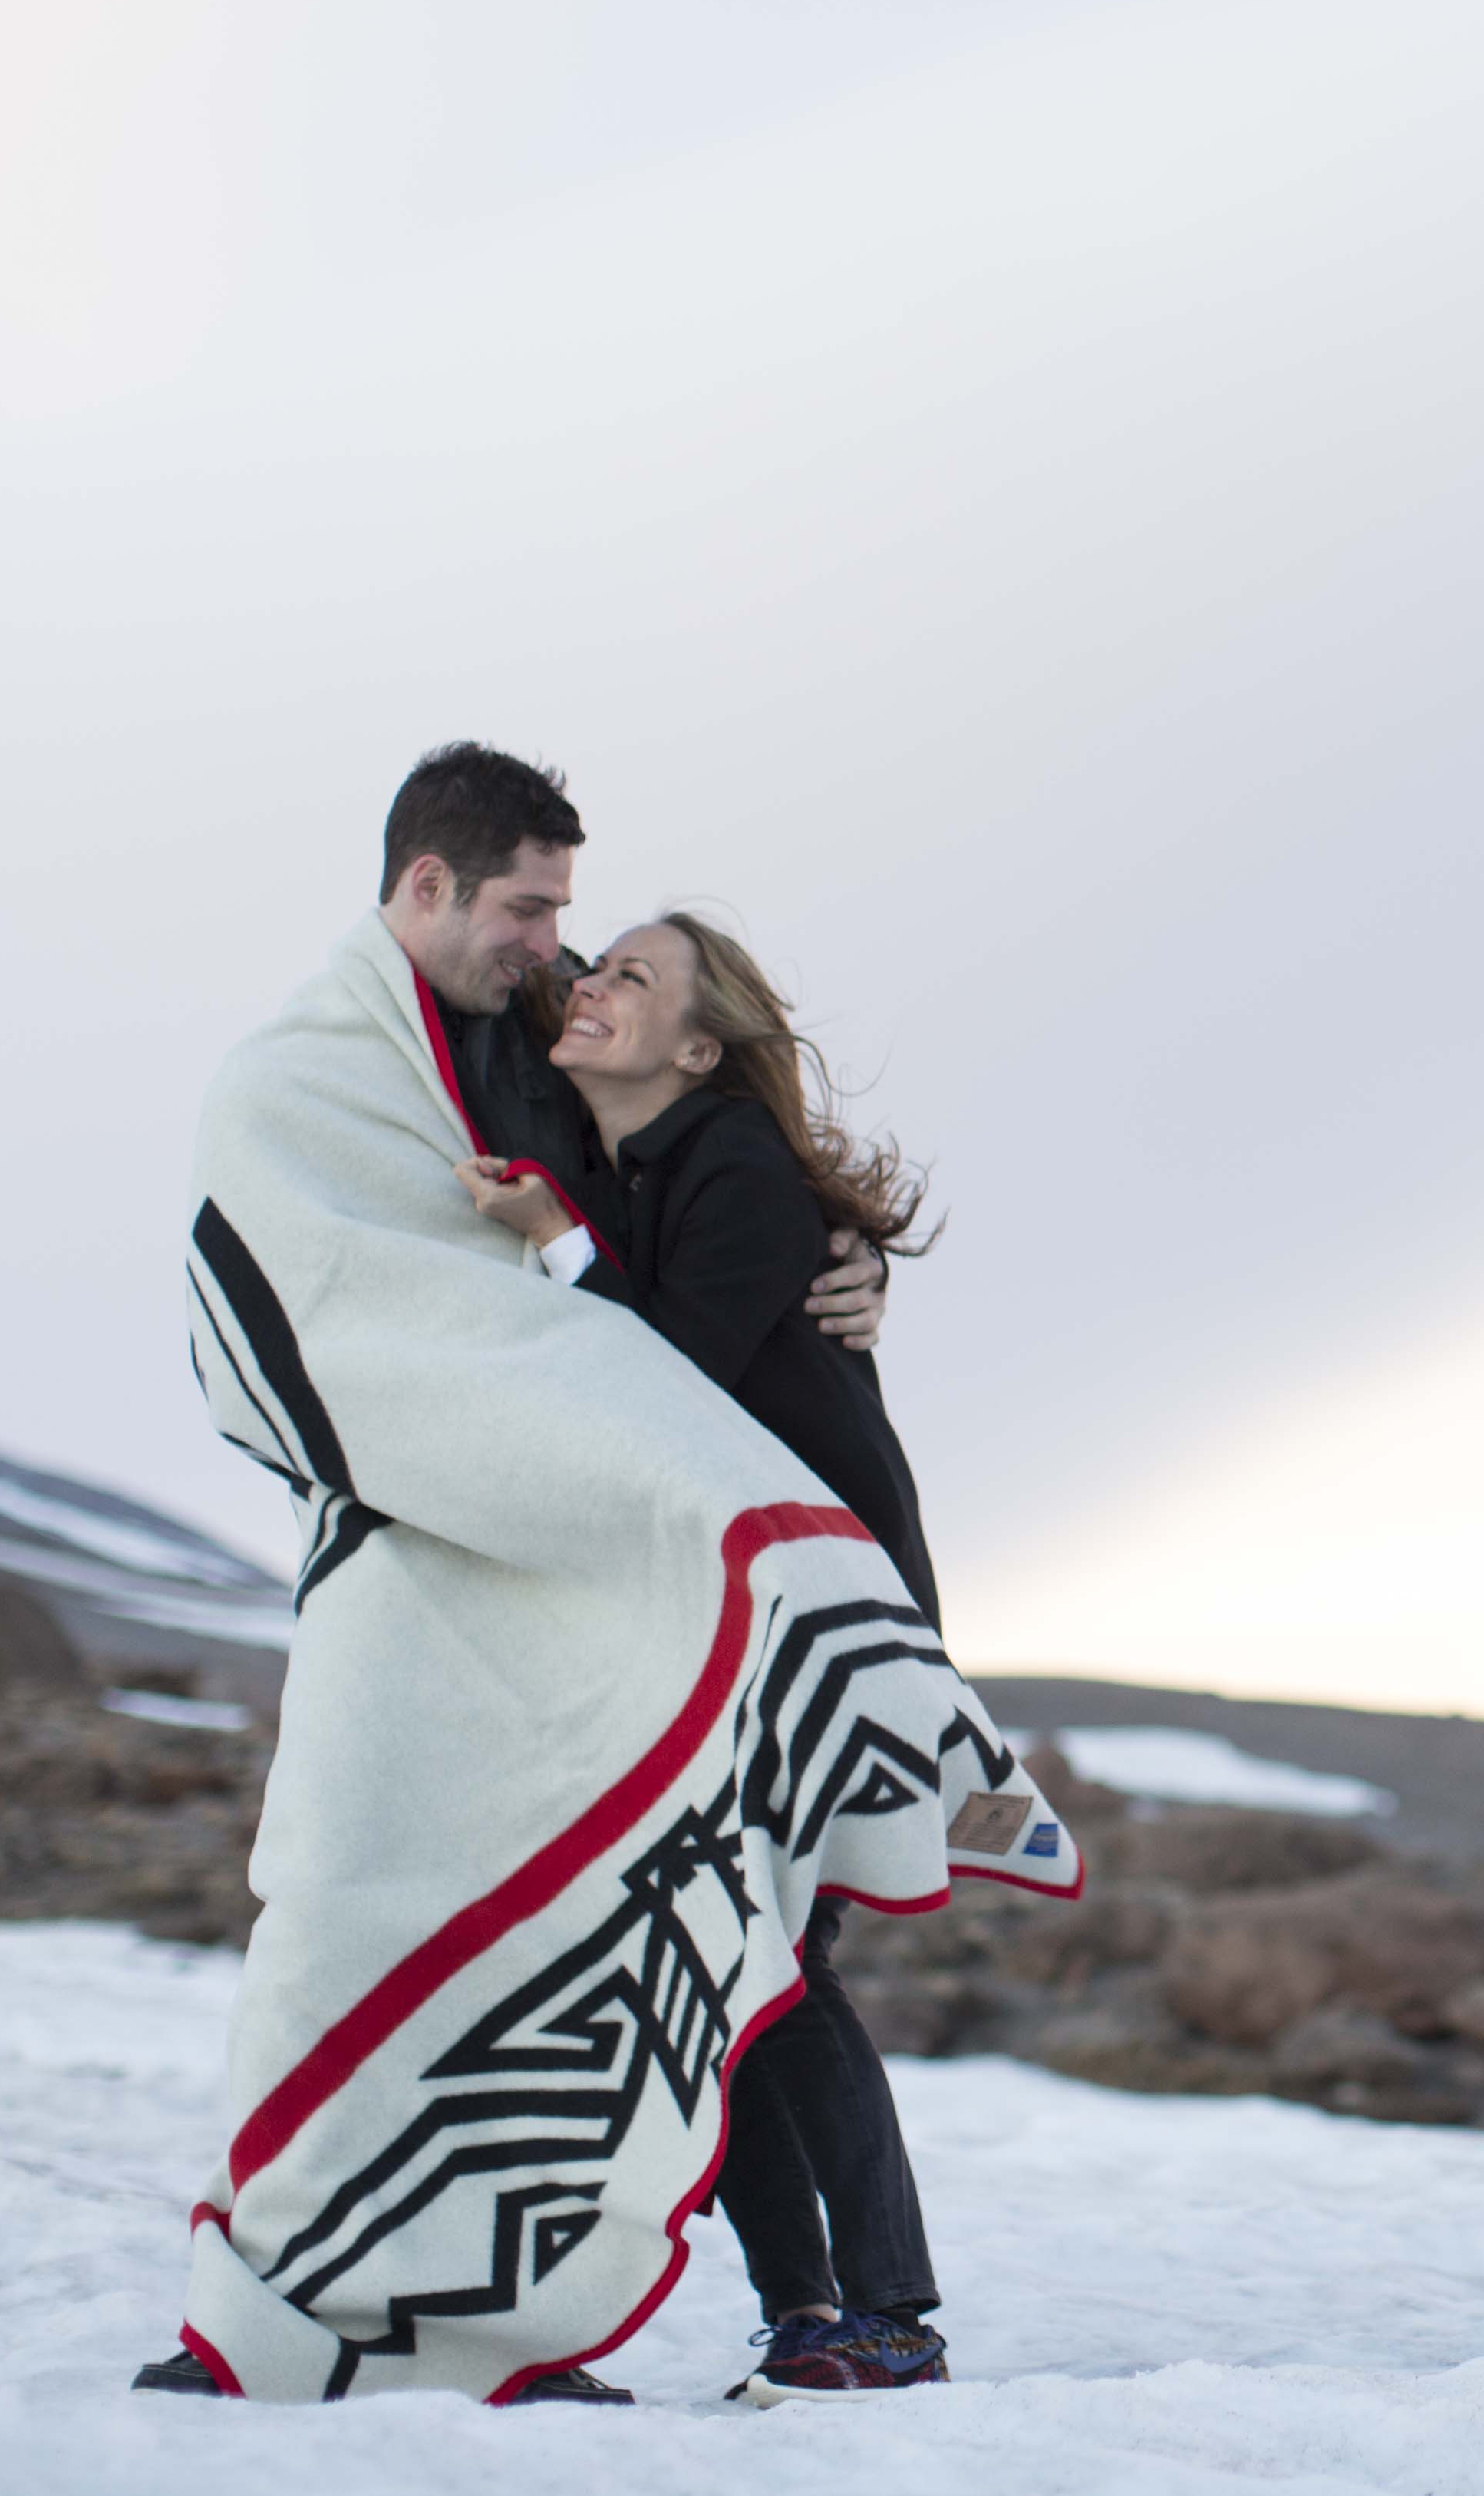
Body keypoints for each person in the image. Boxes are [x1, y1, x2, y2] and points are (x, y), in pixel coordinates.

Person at [138, 745, 1077, 2407]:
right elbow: (303, 1303)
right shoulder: (314, 1074)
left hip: (719, 1580)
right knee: (494, 1925)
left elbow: (673, 1324)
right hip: (468, 1572)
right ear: (426, 888)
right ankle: (410, 2290)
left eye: (578, 923)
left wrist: (823, 1250)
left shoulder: (570, 1053)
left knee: (757, 1955)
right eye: (531, 909)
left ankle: (866, 2315)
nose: (558, 949)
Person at [459, 910, 958, 2403]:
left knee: (780, 1960)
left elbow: (661, 1385)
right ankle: (809, 2314)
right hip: (718, 1615)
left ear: (697, 1046)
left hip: (820, 1622)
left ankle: (889, 2317)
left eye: (631, 977)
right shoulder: (628, 1150)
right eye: (588, 962)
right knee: (716, 1952)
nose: (591, 982)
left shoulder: (723, 1163)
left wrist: (549, 1246)